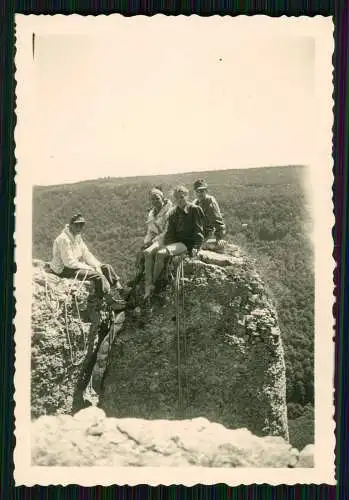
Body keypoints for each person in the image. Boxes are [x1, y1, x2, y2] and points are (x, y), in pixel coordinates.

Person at [146, 185, 205, 298]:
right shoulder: (173, 213)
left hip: (187, 243)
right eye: (177, 198)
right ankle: (155, 282)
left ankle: (154, 283)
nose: (180, 200)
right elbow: (170, 233)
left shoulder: (194, 209)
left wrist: (197, 246)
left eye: (182, 197)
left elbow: (198, 229)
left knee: (160, 254)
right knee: (155, 252)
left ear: (187, 196)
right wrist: (165, 244)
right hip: (177, 243)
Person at [50, 213, 124, 299]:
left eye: (81, 225)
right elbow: (68, 262)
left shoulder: (77, 237)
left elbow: (86, 254)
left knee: (106, 267)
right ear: (70, 225)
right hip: (63, 269)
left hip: (74, 265)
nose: (79, 228)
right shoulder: (64, 239)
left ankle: (121, 291)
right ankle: (106, 300)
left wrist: (97, 265)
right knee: (97, 276)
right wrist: (89, 268)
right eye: (76, 225)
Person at [141, 187, 173, 297]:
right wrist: (147, 241)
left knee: (147, 252)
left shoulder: (170, 211)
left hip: (167, 238)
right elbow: (150, 230)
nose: (155, 201)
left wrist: (153, 242)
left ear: (163, 198)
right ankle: (142, 277)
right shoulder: (152, 213)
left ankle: (150, 284)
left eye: (157, 198)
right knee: (142, 252)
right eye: (152, 199)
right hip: (156, 239)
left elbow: (167, 231)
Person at [193, 179, 226, 248]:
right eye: (197, 191)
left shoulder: (210, 202)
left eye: (202, 191)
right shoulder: (196, 202)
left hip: (207, 234)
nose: (199, 193)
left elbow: (218, 221)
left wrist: (220, 238)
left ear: (206, 191)